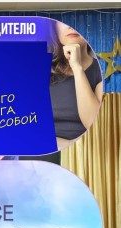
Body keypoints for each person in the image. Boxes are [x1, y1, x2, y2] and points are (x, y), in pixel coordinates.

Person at [50, 22, 103, 150]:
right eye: (63, 20)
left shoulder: (102, 70)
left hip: (89, 153)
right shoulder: (39, 67)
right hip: (46, 153)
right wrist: (72, 145)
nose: (71, 25)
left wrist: (77, 68)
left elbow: (94, 124)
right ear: (54, 28)